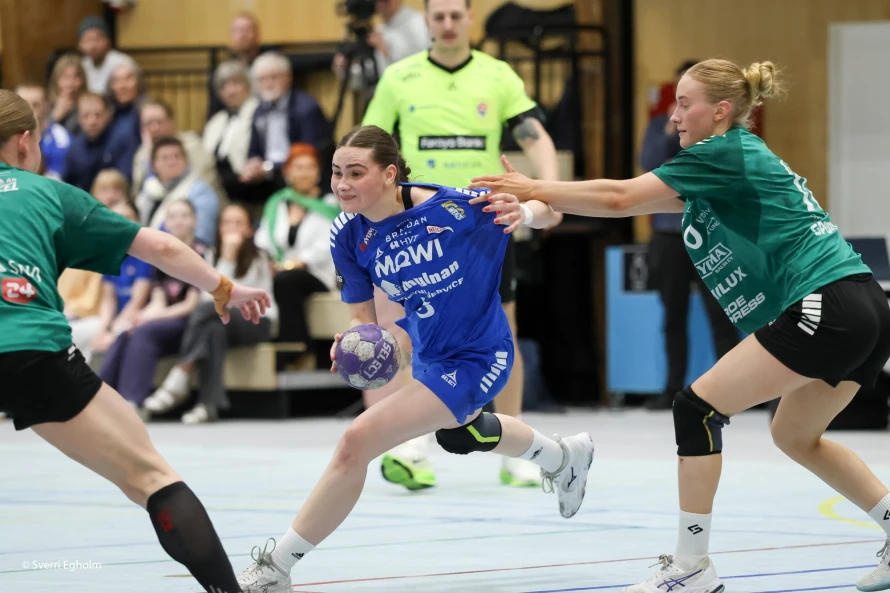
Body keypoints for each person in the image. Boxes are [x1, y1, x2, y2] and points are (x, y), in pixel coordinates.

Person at [468, 59, 890, 593]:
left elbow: (619, 195)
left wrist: (534, 184)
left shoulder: (723, 152)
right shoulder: (725, 162)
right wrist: (535, 202)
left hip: (824, 301)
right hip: (864, 304)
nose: (674, 116)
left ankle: (691, 565)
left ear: (720, 111)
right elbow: (620, 206)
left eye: (685, 104)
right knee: (794, 435)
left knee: (697, 407)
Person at [234, 125, 594, 593]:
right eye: (337, 172)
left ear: (389, 174)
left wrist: (524, 211)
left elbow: (551, 210)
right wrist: (353, 342)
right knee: (464, 434)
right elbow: (362, 318)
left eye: (356, 173)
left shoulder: (455, 207)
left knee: (356, 442)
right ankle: (564, 457)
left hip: (480, 353)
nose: (342, 184)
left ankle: (275, 568)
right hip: (429, 355)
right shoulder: (348, 233)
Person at [0, 88, 270, 593]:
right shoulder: (47, 194)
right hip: (30, 351)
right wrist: (223, 287)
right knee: (152, 478)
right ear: (23, 141)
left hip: (24, 347)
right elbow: (161, 247)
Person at [359, 0, 562, 490]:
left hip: (482, 224)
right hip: (415, 225)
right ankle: (411, 448)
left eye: (456, 15)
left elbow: (535, 137)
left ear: (470, 18)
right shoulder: (398, 78)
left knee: (503, 330)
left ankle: (516, 455)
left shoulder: (498, 75)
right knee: (407, 329)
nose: (448, 24)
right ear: (427, 21)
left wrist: (550, 190)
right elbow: (369, 145)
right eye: (439, 16)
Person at [640, 60, 739, 410]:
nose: (679, 111)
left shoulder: (721, 135)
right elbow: (649, 162)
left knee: (722, 312)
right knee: (673, 316)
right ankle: (672, 386)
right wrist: (672, 129)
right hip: (669, 236)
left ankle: (736, 388)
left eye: (688, 101)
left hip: (710, 233)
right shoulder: (662, 124)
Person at [144, 204, 278, 424]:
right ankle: (208, 406)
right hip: (223, 321)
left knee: (208, 312)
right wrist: (224, 256)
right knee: (213, 330)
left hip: (257, 321)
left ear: (248, 229)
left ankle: (180, 372)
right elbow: (212, 301)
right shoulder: (211, 254)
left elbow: (226, 298)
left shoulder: (259, 256)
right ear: (219, 227)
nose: (232, 228)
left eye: (238, 223)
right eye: (227, 223)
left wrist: (229, 257)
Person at [255, 144, 341, 359]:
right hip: (279, 270)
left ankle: (296, 350)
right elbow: (262, 240)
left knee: (287, 279)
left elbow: (327, 245)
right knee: (274, 278)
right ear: (287, 172)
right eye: (298, 167)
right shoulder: (276, 203)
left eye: (310, 167)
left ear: (318, 172)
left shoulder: (330, 204)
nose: (304, 173)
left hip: (317, 273)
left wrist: (293, 263)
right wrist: (270, 262)